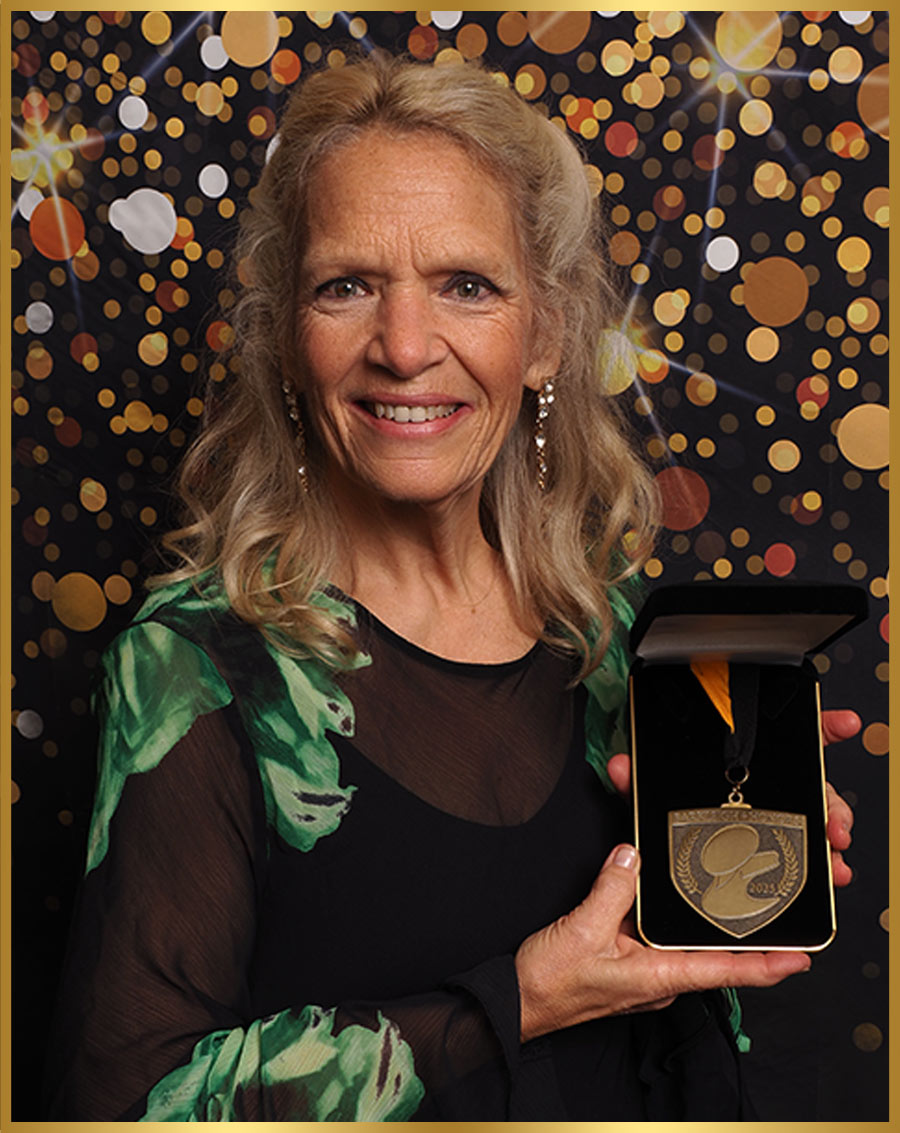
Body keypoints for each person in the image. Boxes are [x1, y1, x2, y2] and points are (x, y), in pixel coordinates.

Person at [45, 55, 858, 1121]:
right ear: (287, 338)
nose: (404, 347)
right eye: (346, 286)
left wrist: (738, 874)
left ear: (545, 335)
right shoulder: (194, 668)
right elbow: (121, 1102)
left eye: (466, 285)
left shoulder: (614, 638)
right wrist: (516, 1002)